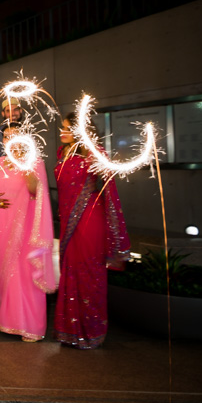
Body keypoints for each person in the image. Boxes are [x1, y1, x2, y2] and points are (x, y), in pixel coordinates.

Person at [54, 115, 129, 349]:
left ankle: (91, 331)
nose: (61, 132)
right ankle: (70, 330)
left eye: (66, 129)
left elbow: (110, 188)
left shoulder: (94, 153)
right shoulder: (62, 153)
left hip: (89, 219)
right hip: (68, 222)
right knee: (71, 271)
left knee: (88, 271)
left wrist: (114, 229)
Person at [0, 126, 56, 342]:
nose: (10, 139)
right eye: (7, 137)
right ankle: (9, 321)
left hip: (26, 226)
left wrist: (25, 163)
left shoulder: (34, 161)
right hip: (1, 224)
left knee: (24, 273)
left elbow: (37, 191)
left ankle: (31, 326)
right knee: (6, 272)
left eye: (15, 136)